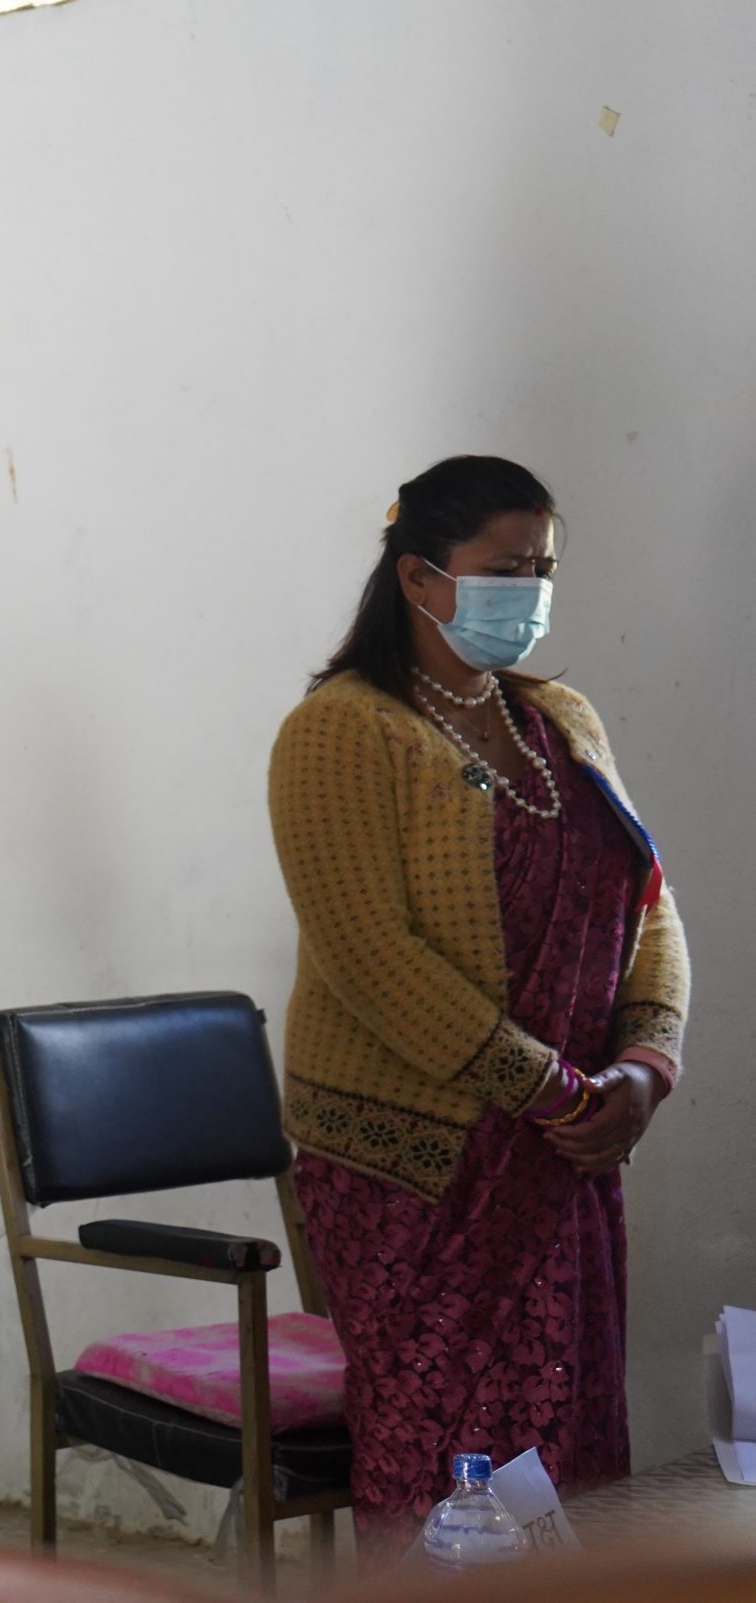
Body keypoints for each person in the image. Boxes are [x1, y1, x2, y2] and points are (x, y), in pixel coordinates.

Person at [267, 455, 687, 1559]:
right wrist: (552, 1090)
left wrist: (643, 1069)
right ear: (419, 577)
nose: (530, 591)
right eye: (505, 569)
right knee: (444, 1442)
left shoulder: (562, 719)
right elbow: (371, 955)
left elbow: (647, 906)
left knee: (569, 1429)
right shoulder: (341, 730)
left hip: (568, 1153)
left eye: (542, 568)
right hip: (419, 1165)